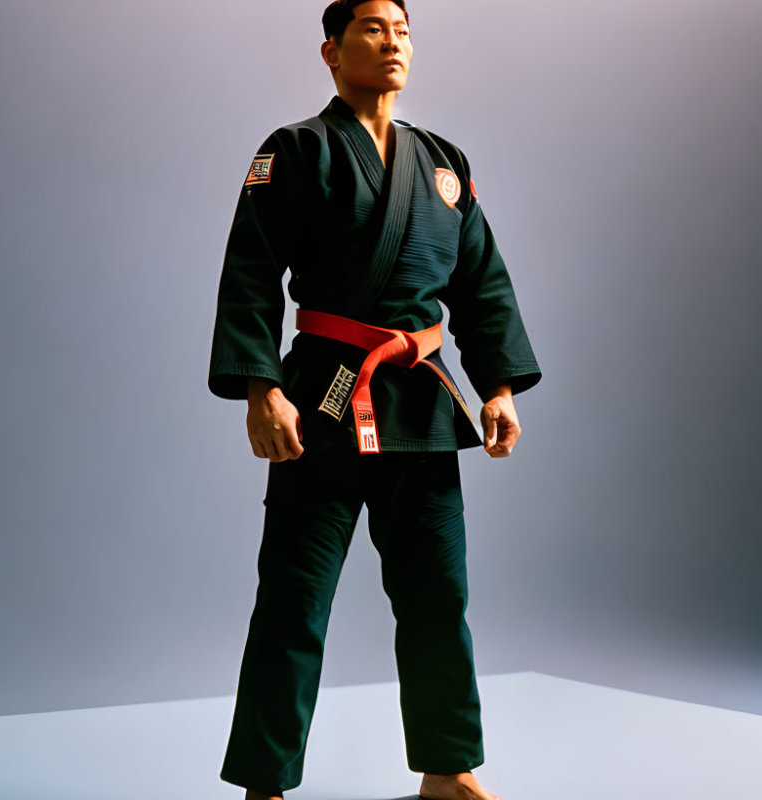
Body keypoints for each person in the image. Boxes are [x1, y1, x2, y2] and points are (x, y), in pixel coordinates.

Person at [208, 2, 540, 798]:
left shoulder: (443, 163)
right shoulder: (295, 150)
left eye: (403, 29)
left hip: (421, 406)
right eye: (372, 27)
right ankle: (265, 782)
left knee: (438, 598)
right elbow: (250, 273)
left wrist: (496, 387)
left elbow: (481, 284)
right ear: (331, 49)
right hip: (321, 400)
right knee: (293, 601)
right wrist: (262, 391)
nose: (393, 41)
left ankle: (447, 769)